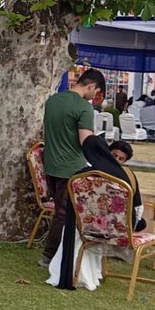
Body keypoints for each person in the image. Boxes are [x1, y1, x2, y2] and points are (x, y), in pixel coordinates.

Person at [47, 135, 147, 290]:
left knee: (76, 229)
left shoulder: (80, 176)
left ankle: (71, 269)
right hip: (118, 230)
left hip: (88, 228)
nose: (117, 160)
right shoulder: (125, 176)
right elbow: (137, 208)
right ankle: (90, 273)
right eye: (114, 156)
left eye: (121, 158)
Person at [39, 68, 105, 268]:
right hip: (71, 167)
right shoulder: (84, 108)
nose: (94, 97)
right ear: (91, 85)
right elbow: (86, 141)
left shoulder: (53, 101)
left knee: (61, 211)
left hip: (51, 164)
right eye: (96, 92)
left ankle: (61, 251)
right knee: (64, 213)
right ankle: (50, 255)